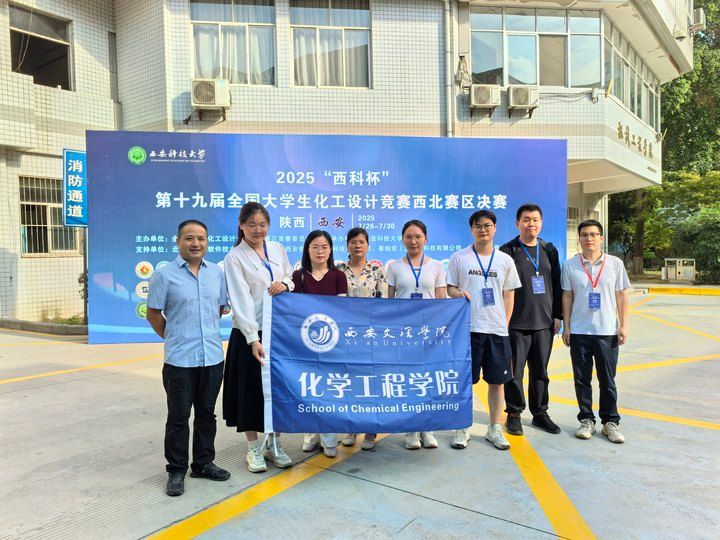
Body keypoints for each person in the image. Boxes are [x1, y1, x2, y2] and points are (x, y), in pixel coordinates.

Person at [146, 220, 231, 497]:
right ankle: (176, 470)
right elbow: (153, 314)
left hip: (212, 358)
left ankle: (203, 463)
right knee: (179, 417)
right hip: (179, 361)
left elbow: (219, 309)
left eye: (201, 238)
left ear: (207, 242)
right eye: (189, 238)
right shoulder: (164, 275)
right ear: (178, 241)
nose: (196, 243)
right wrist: (174, 337)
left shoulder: (216, 273)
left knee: (207, 414)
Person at [223, 202, 295, 473]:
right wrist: (253, 338)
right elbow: (240, 299)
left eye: (262, 224)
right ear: (241, 225)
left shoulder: (277, 248)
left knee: (277, 391)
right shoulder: (234, 257)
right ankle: (253, 448)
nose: (257, 230)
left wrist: (285, 283)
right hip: (249, 335)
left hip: (278, 330)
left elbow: (290, 276)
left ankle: (273, 443)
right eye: (251, 224)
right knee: (251, 392)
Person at [447, 210, 521, 451]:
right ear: (472, 229)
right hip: (468, 329)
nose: (483, 230)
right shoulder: (459, 257)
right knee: (464, 382)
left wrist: (504, 324)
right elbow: (450, 288)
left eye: (487, 225)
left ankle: (494, 428)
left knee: (497, 383)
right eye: (478, 226)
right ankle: (462, 426)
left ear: (495, 228)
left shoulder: (505, 260)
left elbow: (509, 294)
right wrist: (458, 293)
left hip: (497, 331)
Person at [561, 219, 630, 443]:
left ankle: (610, 422)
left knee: (607, 380)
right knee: (581, 380)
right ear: (579, 239)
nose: (589, 238)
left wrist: (623, 325)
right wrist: (567, 327)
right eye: (584, 235)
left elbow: (622, 295)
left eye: (593, 234)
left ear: (601, 238)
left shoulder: (615, 264)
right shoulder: (570, 265)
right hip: (579, 331)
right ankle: (586, 420)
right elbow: (567, 296)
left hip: (607, 332)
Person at [499, 203, 563, 436]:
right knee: (514, 373)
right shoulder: (508, 250)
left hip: (544, 323)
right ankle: (514, 414)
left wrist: (558, 315)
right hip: (516, 323)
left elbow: (556, 284)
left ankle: (540, 413)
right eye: (526, 220)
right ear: (518, 223)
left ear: (541, 223)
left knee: (540, 372)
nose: (531, 224)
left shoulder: (549, 249)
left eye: (535, 220)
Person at [386, 220, 446, 451]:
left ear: (426, 239)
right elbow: (390, 302)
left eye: (418, 236)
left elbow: (441, 302)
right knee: (408, 380)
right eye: (409, 237)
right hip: (404, 333)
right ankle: (411, 429)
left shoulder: (437, 266)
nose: (413, 241)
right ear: (402, 240)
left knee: (427, 380)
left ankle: (427, 428)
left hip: (429, 334)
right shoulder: (394, 267)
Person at [292, 230, 348, 457]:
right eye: (315, 246)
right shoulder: (298, 276)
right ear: (307, 249)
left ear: (331, 249)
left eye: (324, 247)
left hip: (331, 342)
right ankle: (311, 436)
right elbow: (294, 310)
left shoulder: (338, 276)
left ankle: (329, 440)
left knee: (329, 391)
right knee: (309, 389)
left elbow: (341, 310)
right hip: (305, 342)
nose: (320, 251)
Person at [336, 227, 389, 451]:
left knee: (371, 381)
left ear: (368, 245)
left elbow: (383, 302)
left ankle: (370, 429)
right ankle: (350, 427)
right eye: (353, 242)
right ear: (347, 245)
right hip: (346, 335)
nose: (358, 246)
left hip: (370, 335)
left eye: (361, 242)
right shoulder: (338, 270)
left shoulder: (376, 270)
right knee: (350, 380)